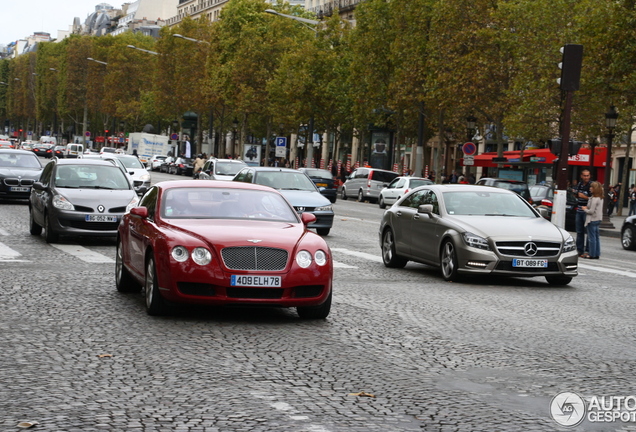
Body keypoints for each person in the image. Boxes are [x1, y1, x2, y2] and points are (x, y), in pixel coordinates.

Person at [581, 181, 603, 259]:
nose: (590, 188)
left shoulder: (594, 199)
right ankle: (597, 253)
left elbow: (591, 211)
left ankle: (592, 254)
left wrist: (584, 209)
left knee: (591, 238)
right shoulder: (600, 198)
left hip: (592, 219)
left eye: (591, 187)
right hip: (598, 218)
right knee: (596, 237)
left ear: (595, 189)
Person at [573, 169, 592, 257]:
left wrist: (584, 196)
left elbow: (593, 199)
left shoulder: (591, 185)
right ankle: (579, 250)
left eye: (587, 175)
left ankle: (588, 250)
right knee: (579, 231)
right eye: (584, 176)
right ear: (581, 176)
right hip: (579, 209)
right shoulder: (579, 184)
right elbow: (577, 194)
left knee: (588, 231)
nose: (586, 177)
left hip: (587, 210)